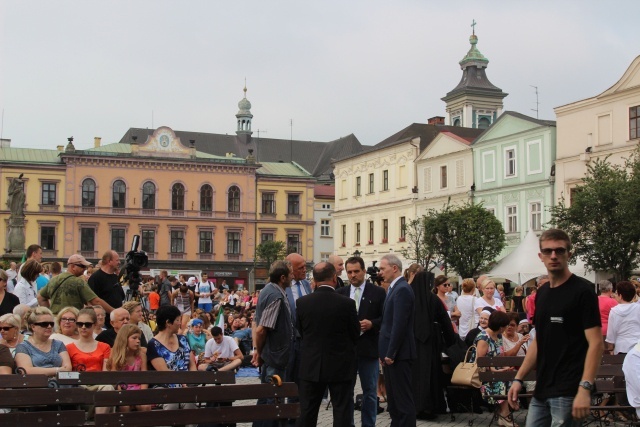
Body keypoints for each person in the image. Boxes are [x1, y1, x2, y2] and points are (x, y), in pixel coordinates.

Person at [508, 228, 603, 426]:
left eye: (559, 251)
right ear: (540, 256)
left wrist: (585, 387)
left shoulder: (582, 292)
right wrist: (518, 378)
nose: (553, 256)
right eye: (548, 251)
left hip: (570, 389)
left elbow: (596, 343)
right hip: (543, 387)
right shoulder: (542, 294)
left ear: (569, 253)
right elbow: (539, 341)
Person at [295, 262, 359, 427]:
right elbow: (354, 333)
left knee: (307, 413)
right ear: (334, 278)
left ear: (314, 280)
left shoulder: (302, 303)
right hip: (340, 365)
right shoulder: (347, 303)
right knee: (342, 411)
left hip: (311, 365)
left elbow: (301, 331)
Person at [336, 256, 386, 427]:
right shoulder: (340, 293)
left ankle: (368, 424)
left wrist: (372, 323)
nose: (353, 275)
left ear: (364, 271)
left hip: (369, 348)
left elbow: (386, 318)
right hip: (347, 351)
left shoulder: (377, 292)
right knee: (346, 392)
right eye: (349, 272)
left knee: (370, 392)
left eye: (356, 271)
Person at [251, 260, 294, 427]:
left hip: (273, 353)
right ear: (283, 277)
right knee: (273, 398)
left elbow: (256, 322)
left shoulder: (267, 290)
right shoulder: (275, 295)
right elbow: (262, 329)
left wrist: (258, 350)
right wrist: (259, 352)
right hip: (275, 355)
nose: (292, 277)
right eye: (290, 274)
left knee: (265, 396)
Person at [410, 271, 457, 420]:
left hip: (411, 343)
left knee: (414, 376)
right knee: (430, 375)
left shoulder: (409, 298)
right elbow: (445, 322)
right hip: (431, 344)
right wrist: (450, 342)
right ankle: (430, 406)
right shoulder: (434, 300)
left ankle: (414, 406)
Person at [378, 254, 416, 426]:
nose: (380, 272)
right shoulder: (395, 288)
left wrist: (391, 353)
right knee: (394, 402)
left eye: (382, 268)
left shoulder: (402, 289)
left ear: (394, 268)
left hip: (399, 355)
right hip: (392, 355)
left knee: (402, 402)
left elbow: (399, 325)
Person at [147, 305, 197, 421]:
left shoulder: (183, 340)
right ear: (168, 323)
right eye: (177, 320)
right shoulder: (154, 345)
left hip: (186, 385)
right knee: (171, 402)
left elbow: (192, 364)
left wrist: (192, 381)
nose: (180, 323)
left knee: (190, 402)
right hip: (165, 386)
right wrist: (183, 383)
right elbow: (164, 372)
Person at [469, 311, 515, 427]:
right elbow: (481, 361)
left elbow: (501, 356)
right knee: (500, 380)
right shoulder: (484, 337)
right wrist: (495, 370)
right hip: (483, 374)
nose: (507, 328)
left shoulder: (498, 336)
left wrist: (506, 368)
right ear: (500, 327)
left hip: (495, 372)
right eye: (505, 326)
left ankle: (504, 414)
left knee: (510, 376)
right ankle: (505, 415)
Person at [66, 308, 114, 416]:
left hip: (99, 385)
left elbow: (105, 372)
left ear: (94, 325)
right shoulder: (69, 348)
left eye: (87, 324)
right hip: (79, 386)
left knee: (107, 387)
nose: (83, 327)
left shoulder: (104, 347)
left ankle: (99, 421)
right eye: (79, 324)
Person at [38, 254, 114, 315]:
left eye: (85, 266)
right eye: (82, 266)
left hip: (55, 319)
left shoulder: (53, 280)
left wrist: (49, 313)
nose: (85, 268)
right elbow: (96, 301)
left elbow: (40, 298)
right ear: (73, 266)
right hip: (72, 319)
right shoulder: (79, 282)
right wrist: (114, 311)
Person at [106, 324, 152, 412]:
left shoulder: (141, 356)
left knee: (145, 406)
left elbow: (144, 377)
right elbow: (114, 378)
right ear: (124, 339)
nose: (138, 341)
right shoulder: (116, 355)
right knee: (125, 406)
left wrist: (142, 393)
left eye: (139, 338)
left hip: (138, 390)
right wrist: (121, 394)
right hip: (123, 390)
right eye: (134, 338)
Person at [15, 306, 72, 375]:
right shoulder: (23, 347)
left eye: (51, 324)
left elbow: (68, 368)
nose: (49, 326)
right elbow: (26, 370)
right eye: (44, 324)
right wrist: (58, 370)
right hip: (36, 384)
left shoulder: (58, 344)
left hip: (60, 384)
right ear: (33, 327)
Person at [284, 253, 312, 392]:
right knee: (288, 379)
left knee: (301, 379)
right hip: (289, 340)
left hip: (304, 339)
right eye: (300, 267)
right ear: (291, 270)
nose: (304, 270)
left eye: (305, 266)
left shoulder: (307, 285)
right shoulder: (283, 287)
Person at [605, 281, 640, 355]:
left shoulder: (614, 311)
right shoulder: (638, 308)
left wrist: (610, 349)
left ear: (620, 296)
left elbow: (611, 334)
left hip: (621, 348)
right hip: (637, 346)